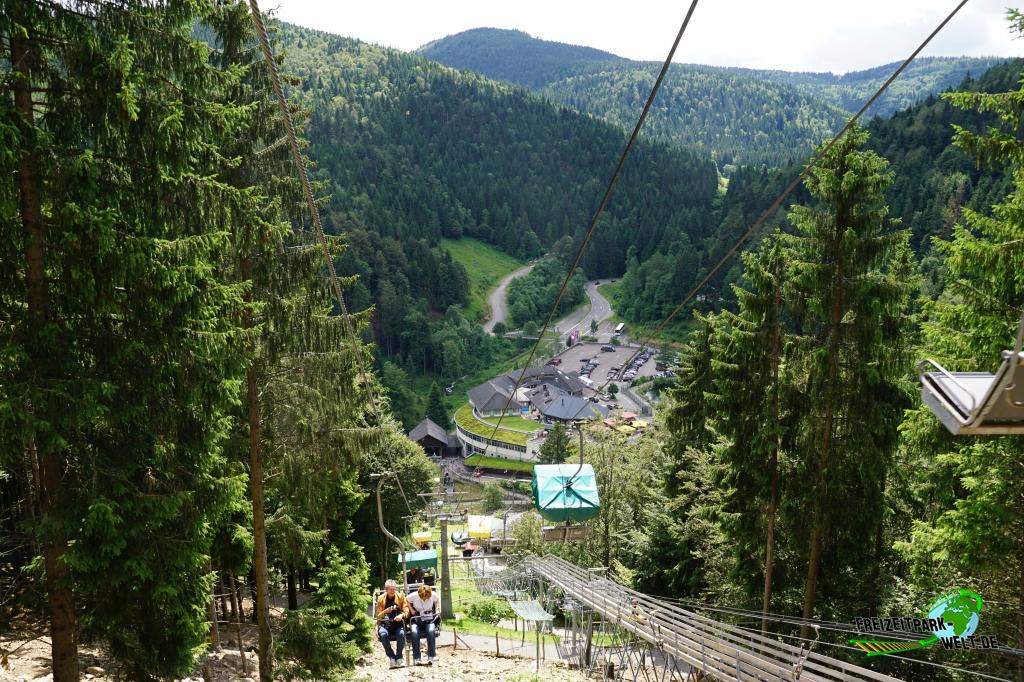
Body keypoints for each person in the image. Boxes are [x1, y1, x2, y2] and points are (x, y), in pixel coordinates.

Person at [375, 579, 409, 668]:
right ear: (386, 590)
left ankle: (399, 657)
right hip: (385, 624)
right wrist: (385, 611)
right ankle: (392, 657)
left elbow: (406, 611)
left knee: (401, 634)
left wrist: (401, 616)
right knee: (382, 634)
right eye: (390, 589)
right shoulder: (381, 598)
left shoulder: (401, 596)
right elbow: (378, 616)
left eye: (394, 589)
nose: (393, 591)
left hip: (398, 623)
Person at [406, 584, 441, 665]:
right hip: (417, 619)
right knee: (414, 632)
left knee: (431, 631)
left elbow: (437, 599)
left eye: (426, 597)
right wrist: (411, 609)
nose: (425, 598)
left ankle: (431, 656)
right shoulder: (414, 595)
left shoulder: (433, 595)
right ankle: (417, 658)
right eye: (423, 597)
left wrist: (437, 609)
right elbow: (406, 599)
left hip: (429, 618)